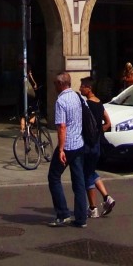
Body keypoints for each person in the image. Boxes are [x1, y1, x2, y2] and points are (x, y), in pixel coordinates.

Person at [47, 71, 87, 228]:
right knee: (79, 181)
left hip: (68, 145)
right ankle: (81, 218)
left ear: (61, 84)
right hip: (79, 143)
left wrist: (61, 149)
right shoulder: (78, 97)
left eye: (55, 84)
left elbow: (62, 127)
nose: (54, 87)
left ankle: (63, 214)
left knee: (54, 177)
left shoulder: (61, 101)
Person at [79, 77, 116, 219]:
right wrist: (98, 131)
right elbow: (108, 122)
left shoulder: (86, 104)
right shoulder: (99, 103)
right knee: (91, 171)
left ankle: (93, 208)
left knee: (87, 174)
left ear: (89, 88)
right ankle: (107, 198)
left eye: (82, 86)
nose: (80, 88)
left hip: (87, 145)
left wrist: (90, 133)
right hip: (97, 144)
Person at [18, 64, 38, 133]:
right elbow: (35, 85)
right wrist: (31, 76)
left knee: (23, 115)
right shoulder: (27, 78)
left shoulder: (20, 77)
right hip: (28, 99)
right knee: (34, 112)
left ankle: (23, 130)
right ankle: (29, 126)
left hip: (21, 99)